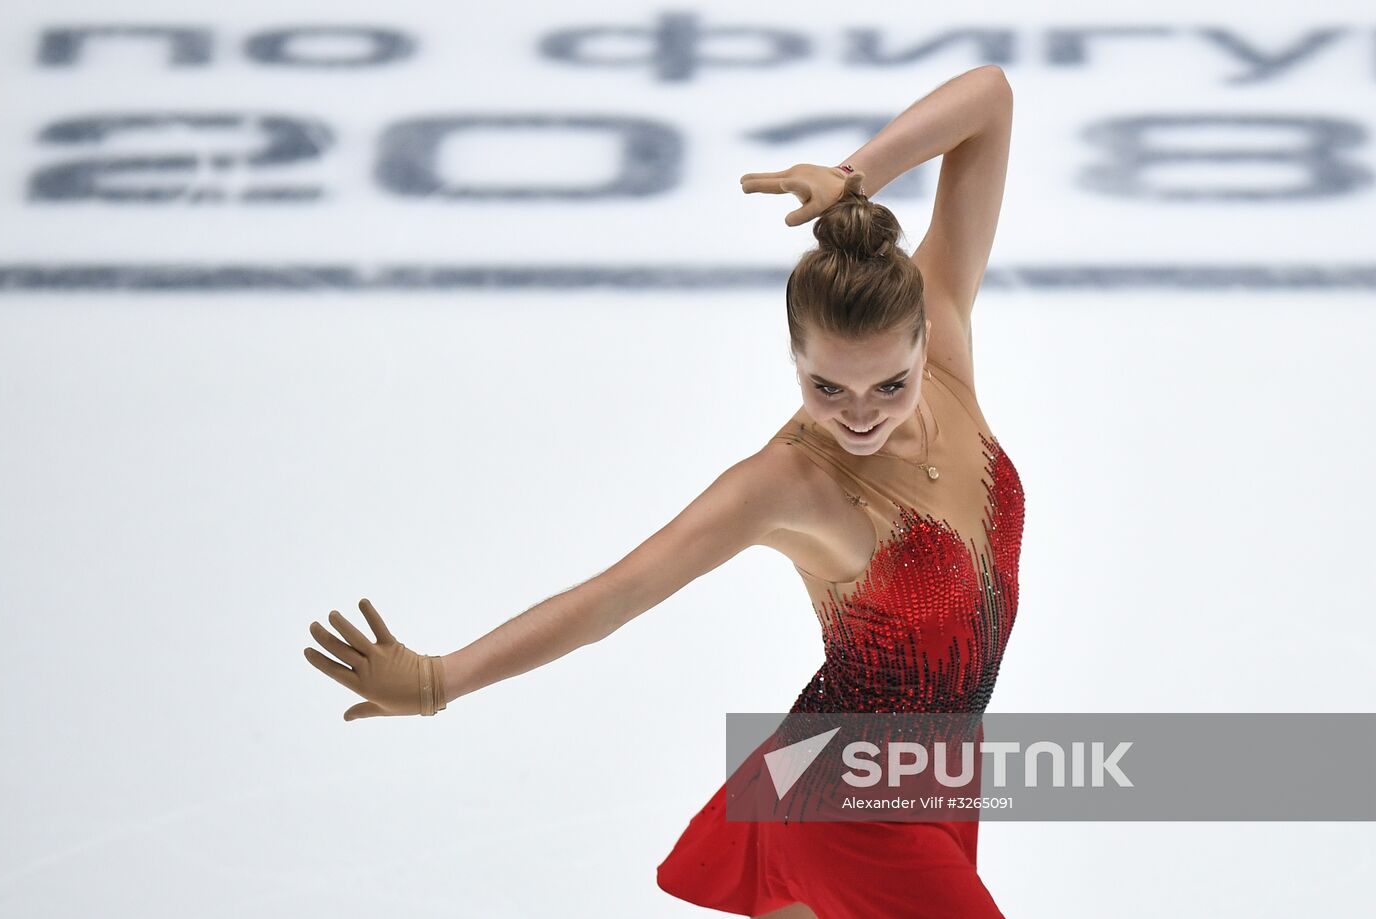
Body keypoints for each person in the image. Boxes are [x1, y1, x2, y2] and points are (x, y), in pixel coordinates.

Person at [303, 64, 1021, 918]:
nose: (858, 416)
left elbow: (990, 101)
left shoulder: (947, 354)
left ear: (922, 338)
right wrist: (438, 679)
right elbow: (613, 596)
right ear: (796, 361)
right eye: (826, 388)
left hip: (935, 766)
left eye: (886, 385)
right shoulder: (789, 482)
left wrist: (854, 173)